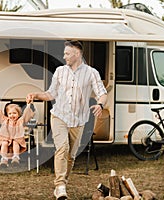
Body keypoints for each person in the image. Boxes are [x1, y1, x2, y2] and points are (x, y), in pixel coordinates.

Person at [26, 40, 107, 200]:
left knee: (71, 155)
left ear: (77, 54)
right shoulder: (59, 71)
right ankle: (60, 186)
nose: (64, 56)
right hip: (59, 116)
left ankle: (63, 183)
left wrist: (100, 104)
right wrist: (36, 95)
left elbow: (102, 93)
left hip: (79, 120)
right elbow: (51, 94)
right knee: (62, 148)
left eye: (67, 53)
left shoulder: (91, 73)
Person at [0, 98, 35, 167]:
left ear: (18, 114)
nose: (12, 115)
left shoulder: (20, 121)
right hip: (5, 138)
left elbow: (26, 115)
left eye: (14, 113)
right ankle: (4, 159)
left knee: (15, 142)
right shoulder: (5, 120)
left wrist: (28, 105)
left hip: (17, 139)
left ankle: (16, 157)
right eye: (10, 113)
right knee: (4, 143)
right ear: (7, 114)